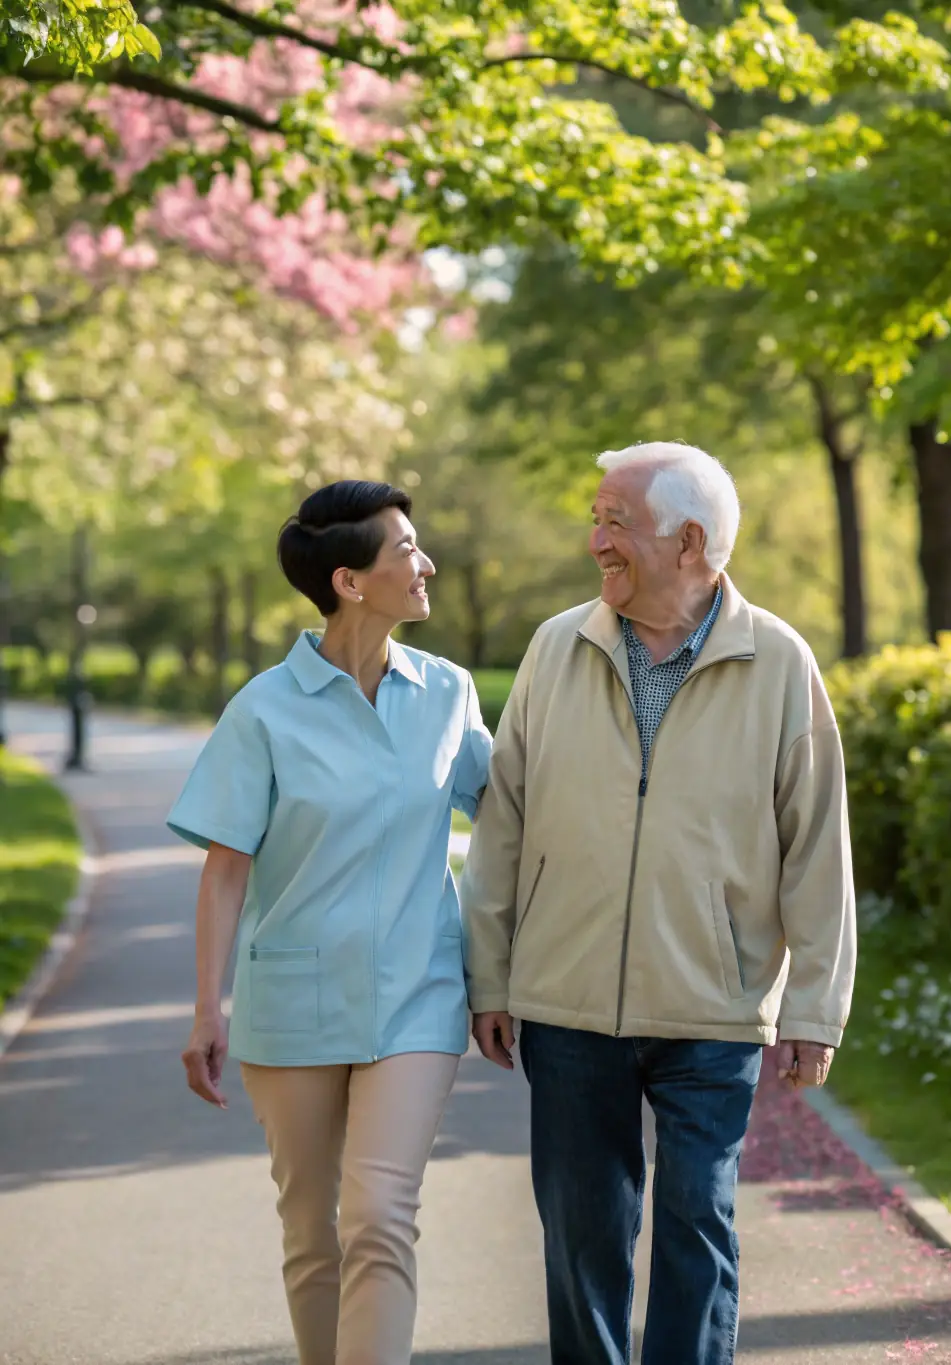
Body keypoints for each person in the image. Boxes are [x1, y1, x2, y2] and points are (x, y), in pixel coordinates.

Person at [460, 442, 856, 1365]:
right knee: (582, 1236)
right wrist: (491, 973)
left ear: (689, 542)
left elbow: (817, 846)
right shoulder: (558, 646)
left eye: (615, 521)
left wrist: (815, 1005)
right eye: (595, 517)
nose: (595, 538)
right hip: (565, 995)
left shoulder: (779, 662)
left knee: (696, 1224)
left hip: (714, 1005)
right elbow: (504, 821)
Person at [167, 479, 491, 1365]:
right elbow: (226, 868)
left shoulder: (447, 693)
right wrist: (207, 1009)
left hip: (418, 996)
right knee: (313, 1234)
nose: (426, 565)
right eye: (407, 551)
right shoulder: (264, 711)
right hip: (293, 1003)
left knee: (380, 1217)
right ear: (350, 580)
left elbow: (512, 812)